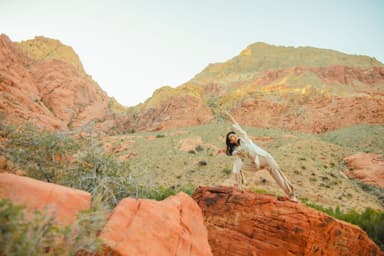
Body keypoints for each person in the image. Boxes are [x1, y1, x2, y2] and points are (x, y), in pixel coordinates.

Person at [225, 111, 298, 202]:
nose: (234, 136)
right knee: (237, 163)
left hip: (265, 158)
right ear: (231, 141)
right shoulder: (237, 150)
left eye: (234, 135)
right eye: (231, 137)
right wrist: (225, 150)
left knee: (279, 177)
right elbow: (230, 153)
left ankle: (292, 195)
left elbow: (237, 126)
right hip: (255, 164)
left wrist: (230, 116)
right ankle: (240, 186)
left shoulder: (244, 138)